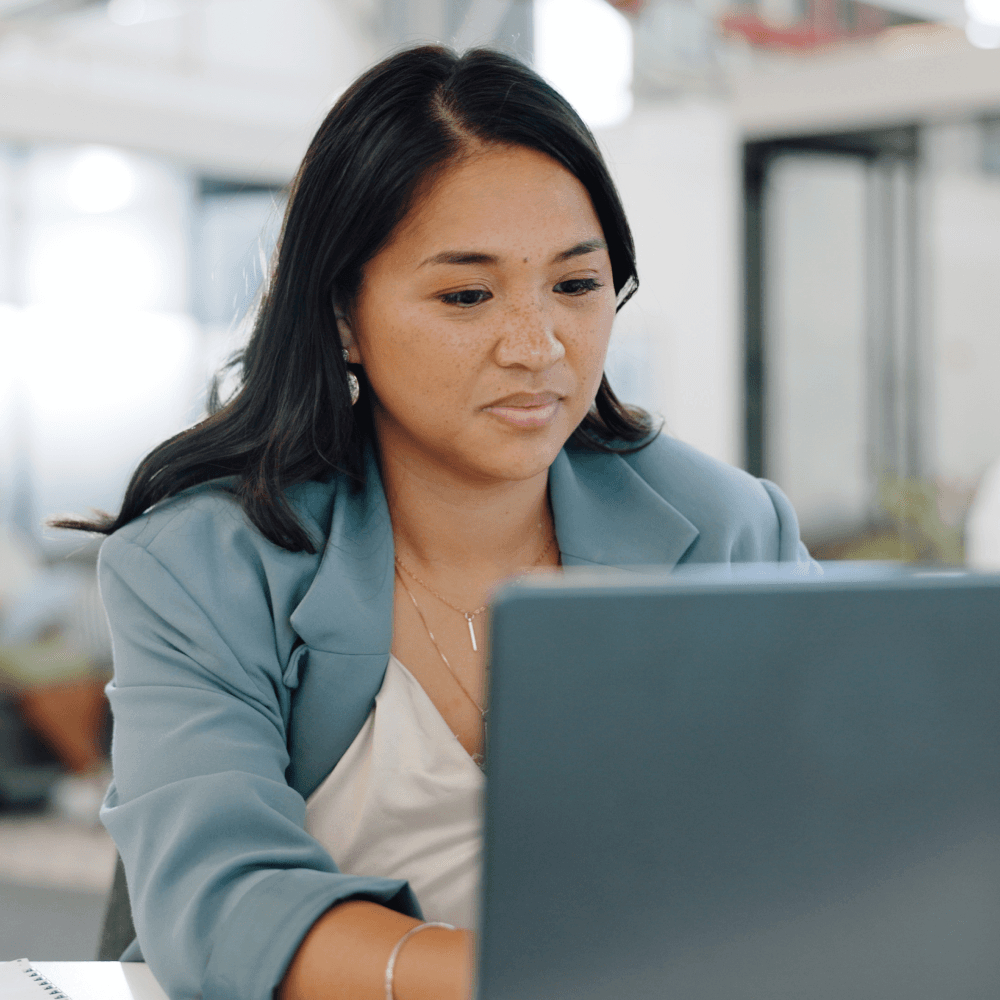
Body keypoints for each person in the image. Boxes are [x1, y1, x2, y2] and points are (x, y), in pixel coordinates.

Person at [56, 45, 811, 1000]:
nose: (537, 346)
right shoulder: (201, 563)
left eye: (576, 285)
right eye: (467, 295)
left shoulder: (728, 528)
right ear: (342, 312)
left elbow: (834, 837)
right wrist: (528, 978)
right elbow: (219, 910)